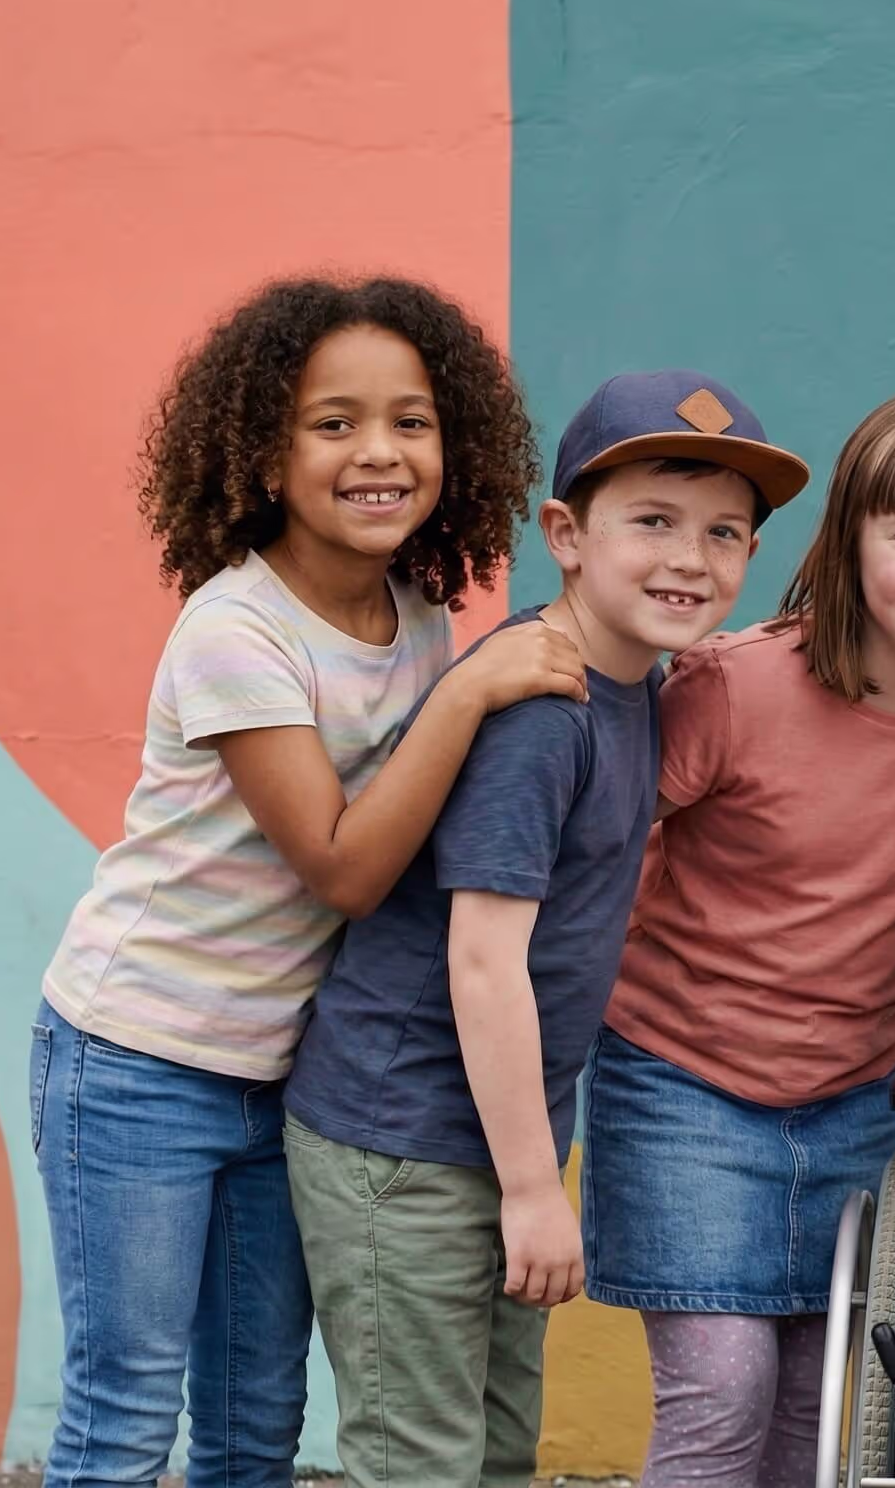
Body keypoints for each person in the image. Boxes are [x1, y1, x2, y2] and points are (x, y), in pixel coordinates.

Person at [29, 276, 576, 1486]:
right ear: (263, 455)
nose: (377, 451)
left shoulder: (418, 614)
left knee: (257, 1411)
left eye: (411, 421)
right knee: (124, 1409)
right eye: (333, 424)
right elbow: (340, 865)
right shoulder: (238, 634)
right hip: (137, 1061)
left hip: (285, 1077)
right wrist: (475, 687)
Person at [280, 369, 807, 1486]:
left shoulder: (634, 688)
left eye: (723, 533)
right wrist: (532, 1188)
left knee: (497, 1449)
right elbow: (482, 961)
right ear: (565, 534)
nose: (688, 559)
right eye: (652, 522)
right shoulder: (540, 712)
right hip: (403, 1137)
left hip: (487, 1134)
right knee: (420, 1460)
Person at [580, 388, 895, 1487]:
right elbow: (587, 847)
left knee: (820, 1412)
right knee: (720, 1396)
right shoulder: (735, 686)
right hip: (678, 1081)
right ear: (848, 546)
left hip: (850, 1089)